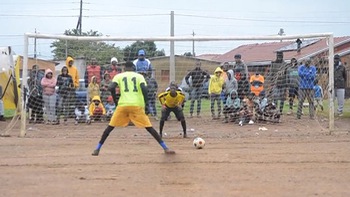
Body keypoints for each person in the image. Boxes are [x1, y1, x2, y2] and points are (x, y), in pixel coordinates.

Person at [92, 61, 175, 156]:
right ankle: (165, 148)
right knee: (149, 128)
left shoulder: (119, 76)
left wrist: (116, 101)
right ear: (134, 68)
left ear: (124, 68)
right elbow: (144, 89)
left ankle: (97, 149)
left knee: (110, 128)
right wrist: (146, 104)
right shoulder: (139, 77)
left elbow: (111, 87)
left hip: (123, 105)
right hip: (137, 105)